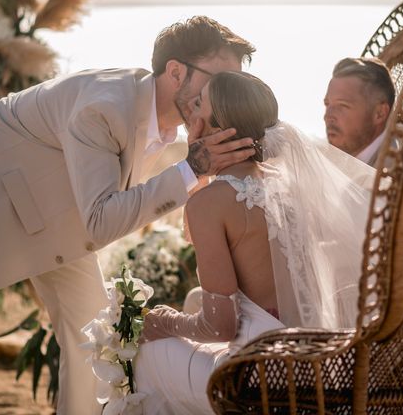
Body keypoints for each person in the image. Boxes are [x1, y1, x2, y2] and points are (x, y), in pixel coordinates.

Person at [0, 16, 257, 415]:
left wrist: (200, 172)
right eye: (218, 82)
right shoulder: (104, 108)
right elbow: (102, 220)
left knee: (93, 335)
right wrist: (190, 170)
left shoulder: (165, 119)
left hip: (56, 215)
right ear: (176, 72)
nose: (226, 95)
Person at [133, 71, 373, 414]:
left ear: (221, 128)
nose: (191, 110)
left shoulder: (210, 204)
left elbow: (220, 326)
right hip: (311, 365)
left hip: (257, 377)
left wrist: (163, 320)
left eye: (200, 103)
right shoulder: (290, 184)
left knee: (144, 356)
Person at [324, 57, 395, 167]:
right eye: (327, 104)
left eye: (342, 105)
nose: (327, 116)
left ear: (379, 114)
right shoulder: (336, 164)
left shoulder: (397, 171)